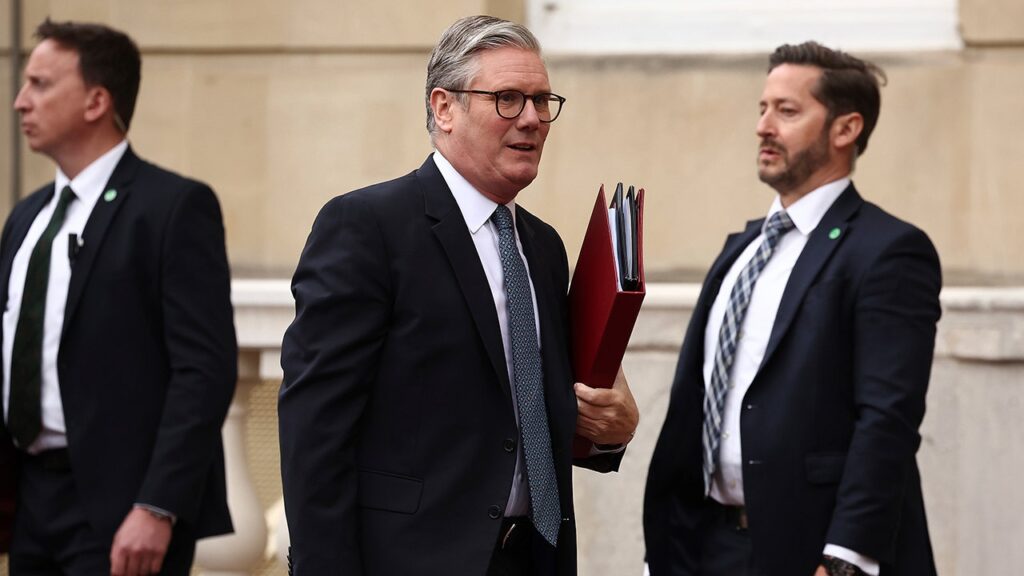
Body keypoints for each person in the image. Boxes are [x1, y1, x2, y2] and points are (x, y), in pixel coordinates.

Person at [279, 14, 639, 576]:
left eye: (542, 101)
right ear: (444, 108)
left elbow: (531, 413)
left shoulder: (544, 247)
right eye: (508, 99)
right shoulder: (368, 227)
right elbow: (315, 429)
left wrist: (608, 433)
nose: (532, 119)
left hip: (534, 559)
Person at [644, 41, 941, 576]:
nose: (763, 126)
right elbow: (696, 403)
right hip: (707, 547)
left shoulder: (888, 251)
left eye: (786, 110)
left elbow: (888, 418)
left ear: (845, 129)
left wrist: (845, 559)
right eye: (763, 108)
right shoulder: (742, 248)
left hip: (812, 552)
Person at [0, 19, 237, 575]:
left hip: (123, 511)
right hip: (28, 502)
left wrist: (157, 505)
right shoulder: (26, 217)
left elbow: (204, 371)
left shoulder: (173, 207)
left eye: (39, 84)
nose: (19, 101)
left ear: (96, 101)